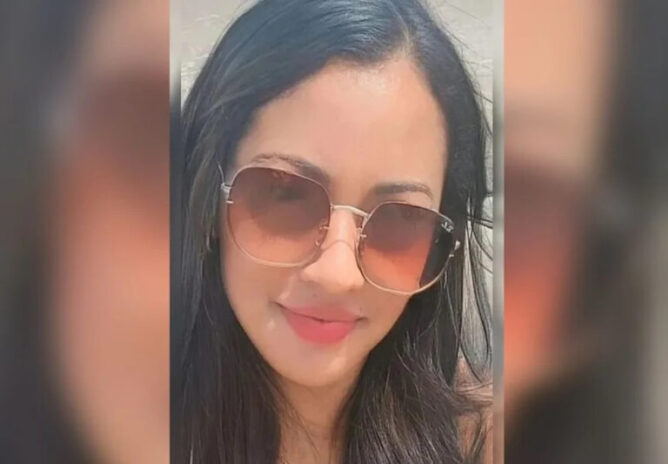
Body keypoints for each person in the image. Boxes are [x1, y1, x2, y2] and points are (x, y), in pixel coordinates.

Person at [173, 0, 493, 463]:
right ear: (206, 193)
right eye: (285, 194)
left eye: (400, 218)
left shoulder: (483, 442)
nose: (337, 275)